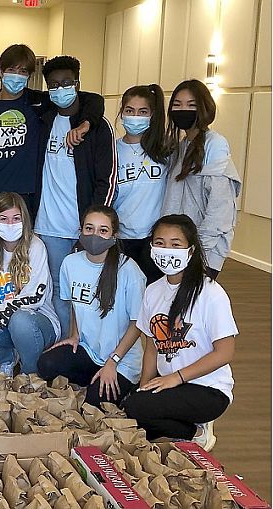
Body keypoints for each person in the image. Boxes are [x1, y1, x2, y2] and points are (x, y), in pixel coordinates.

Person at [0, 45, 105, 248]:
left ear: (29, 76)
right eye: (11, 70)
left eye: (23, 71)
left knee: (18, 253)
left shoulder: (39, 103)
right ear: (0, 72)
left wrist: (86, 122)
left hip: (23, 196)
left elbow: (92, 99)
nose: (17, 76)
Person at [123, 214, 237, 452]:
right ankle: (176, 422)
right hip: (171, 383)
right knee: (130, 405)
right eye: (160, 243)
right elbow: (152, 347)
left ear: (191, 250)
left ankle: (197, 433)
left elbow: (225, 353)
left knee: (137, 409)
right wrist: (144, 387)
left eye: (176, 244)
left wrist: (177, 377)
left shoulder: (211, 293)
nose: (167, 251)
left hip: (207, 388)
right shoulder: (153, 291)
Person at [34, 55, 117, 339]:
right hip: (50, 225)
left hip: (86, 226)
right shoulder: (43, 119)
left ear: (78, 84)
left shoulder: (96, 125)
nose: (60, 89)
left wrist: (94, 224)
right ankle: (65, 344)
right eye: (54, 85)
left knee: (90, 287)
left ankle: (92, 343)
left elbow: (107, 178)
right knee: (59, 287)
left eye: (66, 83)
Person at [38, 205, 145, 408]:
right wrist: (74, 335)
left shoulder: (129, 270)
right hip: (89, 351)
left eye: (103, 230)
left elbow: (137, 323)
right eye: (89, 228)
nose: (95, 235)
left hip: (122, 360)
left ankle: (125, 386)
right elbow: (74, 304)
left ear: (114, 235)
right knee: (46, 364)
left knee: (92, 404)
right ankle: (93, 379)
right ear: (81, 231)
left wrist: (113, 361)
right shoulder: (70, 263)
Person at [0, 192, 60, 377]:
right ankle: (11, 357)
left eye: (16, 218)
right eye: (3, 219)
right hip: (2, 322)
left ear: (24, 220)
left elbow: (33, 298)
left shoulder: (35, 247)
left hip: (38, 321)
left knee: (20, 320)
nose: (10, 224)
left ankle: (29, 374)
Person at [161, 79, 241, 279]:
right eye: (177, 104)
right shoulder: (181, 146)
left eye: (191, 105)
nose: (183, 110)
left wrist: (199, 249)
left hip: (202, 250)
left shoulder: (215, 144)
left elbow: (220, 208)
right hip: (177, 246)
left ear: (204, 108)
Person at [112, 84, 169, 284]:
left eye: (142, 112)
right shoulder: (112, 150)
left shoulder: (166, 151)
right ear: (122, 113)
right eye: (130, 110)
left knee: (154, 292)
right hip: (121, 238)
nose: (135, 116)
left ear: (152, 115)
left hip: (154, 238)